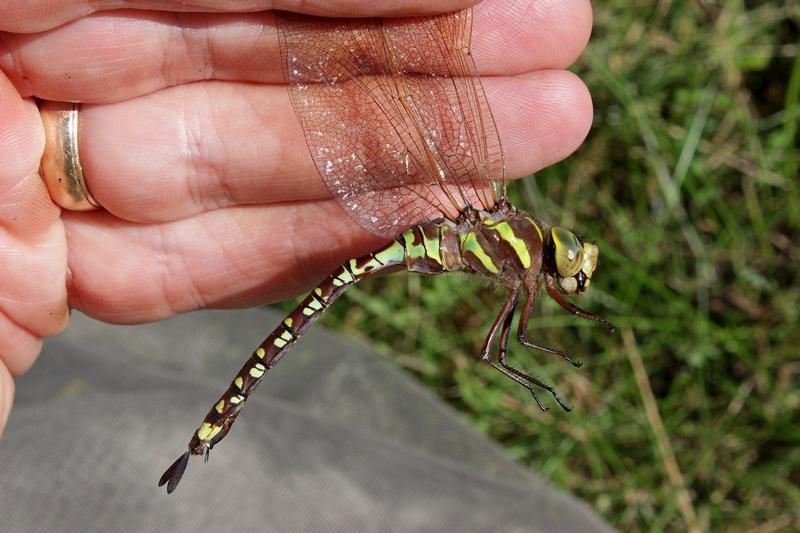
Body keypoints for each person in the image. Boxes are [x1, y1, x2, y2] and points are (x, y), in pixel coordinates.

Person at [0, 0, 593, 438]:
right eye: (570, 265)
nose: (569, 272)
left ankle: (206, 432)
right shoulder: (513, 250)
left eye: (572, 267)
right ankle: (212, 428)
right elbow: (500, 348)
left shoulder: (511, 248)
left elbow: (507, 341)